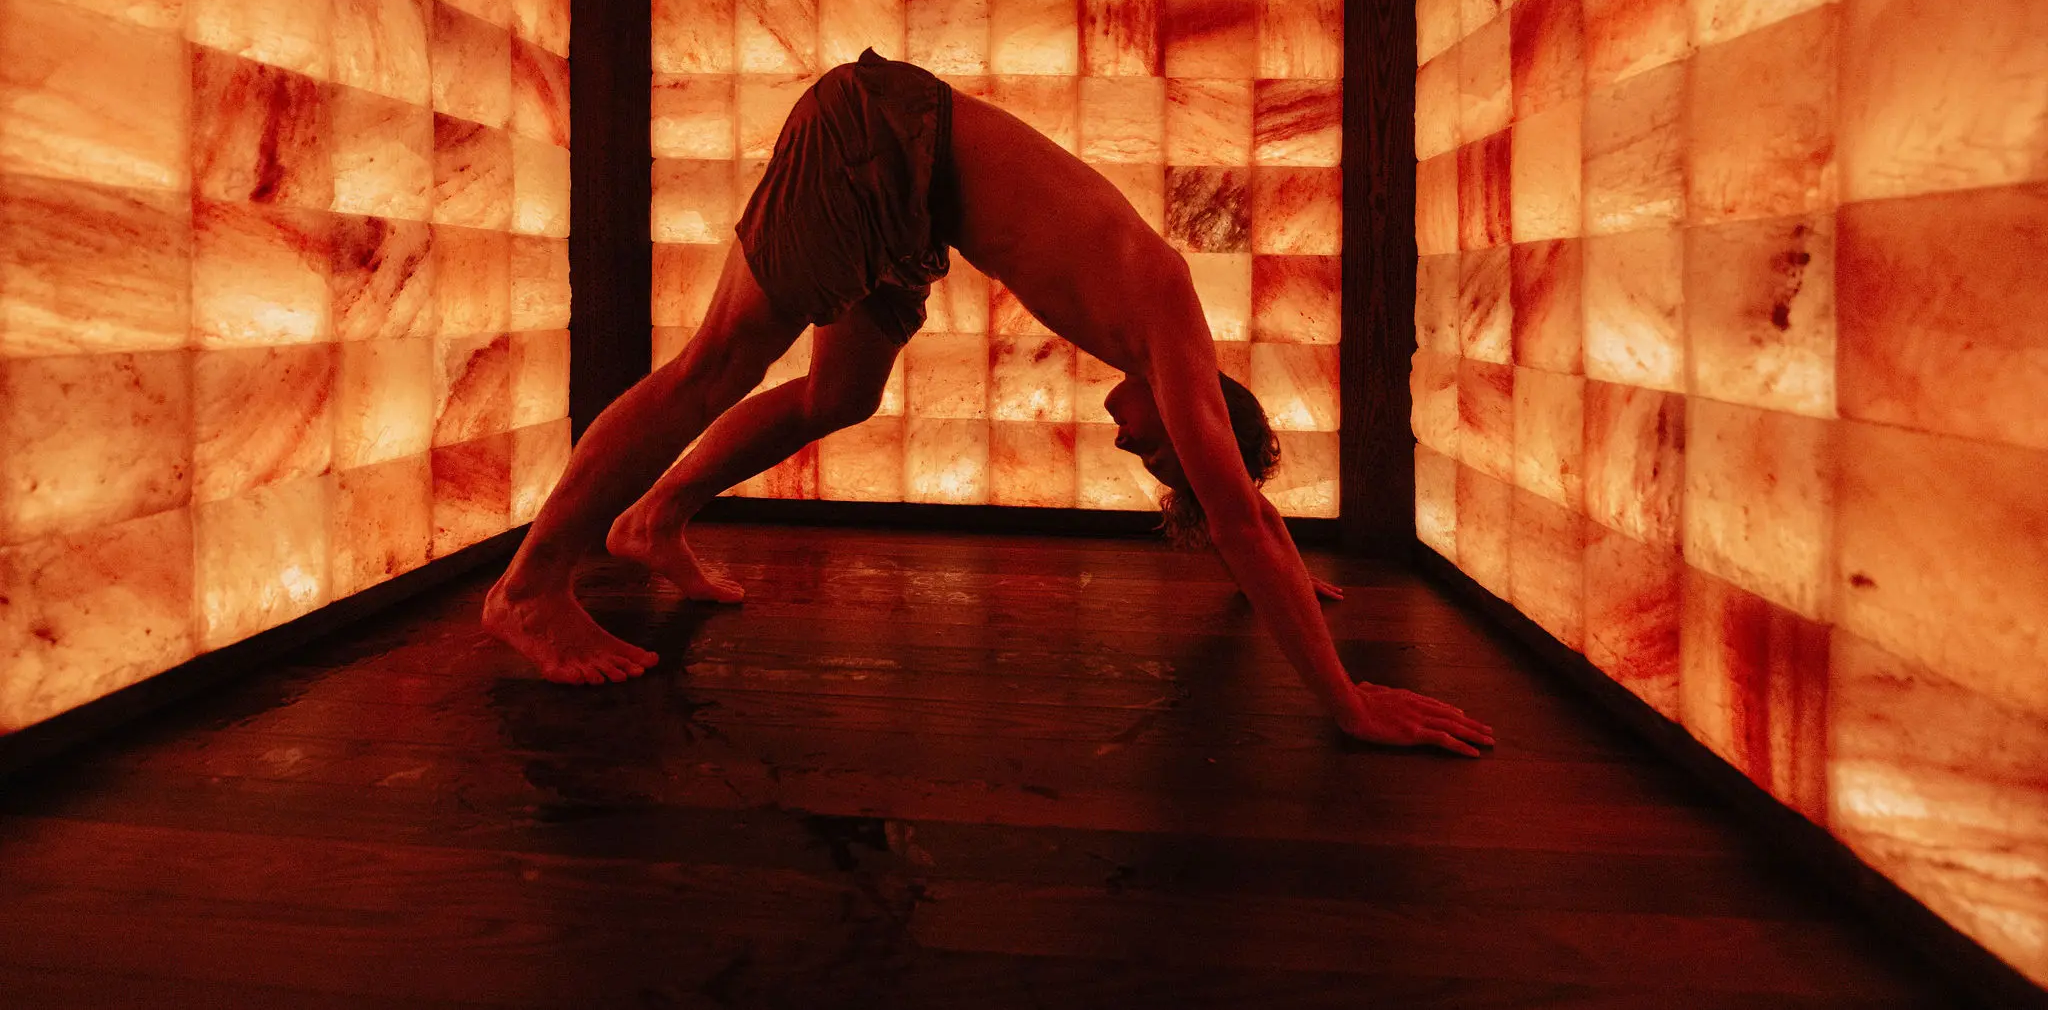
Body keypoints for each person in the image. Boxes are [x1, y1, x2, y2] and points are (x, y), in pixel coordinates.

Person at [484, 50, 1494, 758]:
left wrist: (1280, 567)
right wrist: (1345, 698)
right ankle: (530, 586)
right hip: (881, 137)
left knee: (841, 393)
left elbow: (1238, 508)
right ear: (1200, 417)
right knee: (715, 365)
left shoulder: (1165, 351)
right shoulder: (1170, 323)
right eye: (1152, 452)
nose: (1120, 436)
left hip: (911, 203)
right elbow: (1233, 510)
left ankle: (654, 518)